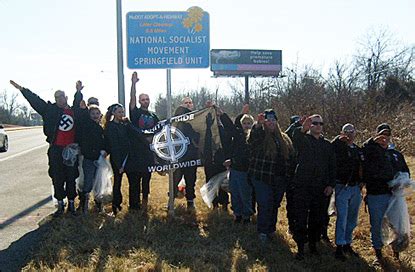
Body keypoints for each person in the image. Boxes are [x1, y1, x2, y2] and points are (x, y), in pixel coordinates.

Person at [10, 80, 83, 217]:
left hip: (71, 149)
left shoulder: (73, 111)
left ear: (66, 97)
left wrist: (78, 91)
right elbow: (35, 100)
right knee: (57, 176)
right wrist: (23, 89)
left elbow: (78, 104)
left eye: (61, 96)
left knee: (71, 176)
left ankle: (72, 203)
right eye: (57, 97)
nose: (59, 99)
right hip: (56, 148)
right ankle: (60, 204)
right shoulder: (49, 110)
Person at [362, 123, 410, 264]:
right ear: (376, 135)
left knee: (396, 225)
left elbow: (406, 171)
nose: (385, 137)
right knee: (377, 224)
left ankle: (396, 254)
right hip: (377, 195)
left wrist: (403, 181)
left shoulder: (395, 154)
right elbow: (363, 151)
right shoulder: (371, 151)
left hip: (395, 196)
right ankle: (378, 254)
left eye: (388, 134)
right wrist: (372, 141)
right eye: (382, 134)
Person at [291, 114, 336, 260]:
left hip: (320, 188)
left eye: (320, 123)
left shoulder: (327, 145)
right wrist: (301, 129)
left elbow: (332, 167)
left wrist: (330, 185)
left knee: (317, 218)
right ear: (309, 125)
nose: (317, 126)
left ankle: (313, 245)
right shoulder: (303, 140)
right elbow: (293, 138)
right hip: (302, 186)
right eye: (314, 123)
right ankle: (300, 247)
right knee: (301, 217)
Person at [248, 109, 295, 244]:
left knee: (274, 204)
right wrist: (258, 125)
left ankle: (271, 229)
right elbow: (252, 140)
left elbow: (290, 157)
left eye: (273, 120)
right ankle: (262, 232)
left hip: (280, 178)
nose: (271, 123)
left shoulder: (283, 138)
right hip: (262, 178)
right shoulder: (261, 135)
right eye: (268, 120)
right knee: (264, 204)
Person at [331, 123, 363, 260]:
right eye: (346, 131)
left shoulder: (357, 149)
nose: (349, 134)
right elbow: (330, 150)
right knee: (342, 218)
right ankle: (339, 246)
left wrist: (363, 181)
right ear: (342, 132)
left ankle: (347, 243)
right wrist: (338, 140)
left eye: (352, 131)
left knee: (352, 219)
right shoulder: (338, 147)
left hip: (355, 188)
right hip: (342, 187)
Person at [104, 104, 140, 215]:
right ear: (114, 113)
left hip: (129, 158)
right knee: (117, 183)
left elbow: (136, 133)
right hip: (117, 158)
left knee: (133, 181)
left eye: (122, 112)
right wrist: (119, 164)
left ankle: (134, 205)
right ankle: (116, 206)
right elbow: (114, 146)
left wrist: (128, 123)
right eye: (119, 112)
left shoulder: (125, 124)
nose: (121, 114)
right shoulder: (110, 126)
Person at [129, 72, 159, 207]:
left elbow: (160, 131)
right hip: (136, 152)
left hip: (148, 152)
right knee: (135, 180)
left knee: (147, 178)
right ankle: (134, 205)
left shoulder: (154, 115)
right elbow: (132, 99)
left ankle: (145, 203)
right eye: (143, 100)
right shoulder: (135, 113)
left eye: (147, 99)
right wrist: (133, 84)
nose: (145, 101)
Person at [220, 104, 254, 223]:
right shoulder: (238, 134)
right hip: (234, 170)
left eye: (249, 123)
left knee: (245, 194)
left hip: (245, 171)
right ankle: (237, 214)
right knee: (234, 193)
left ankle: (246, 216)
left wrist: (232, 161)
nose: (247, 125)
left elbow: (247, 156)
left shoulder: (254, 137)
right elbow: (230, 126)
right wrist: (221, 114)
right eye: (244, 123)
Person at [76, 102, 106, 213]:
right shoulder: (86, 126)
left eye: (97, 113)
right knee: (87, 182)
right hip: (88, 159)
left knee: (98, 183)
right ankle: (84, 206)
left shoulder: (100, 129)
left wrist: (104, 151)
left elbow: (104, 143)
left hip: (98, 159)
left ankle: (98, 205)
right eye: (92, 113)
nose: (95, 115)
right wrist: (84, 109)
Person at [173, 97, 199, 210]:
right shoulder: (178, 116)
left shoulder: (197, 118)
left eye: (190, 103)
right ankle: (171, 201)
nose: (188, 105)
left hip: (191, 153)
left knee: (190, 179)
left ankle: (190, 202)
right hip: (179, 154)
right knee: (175, 178)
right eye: (185, 103)